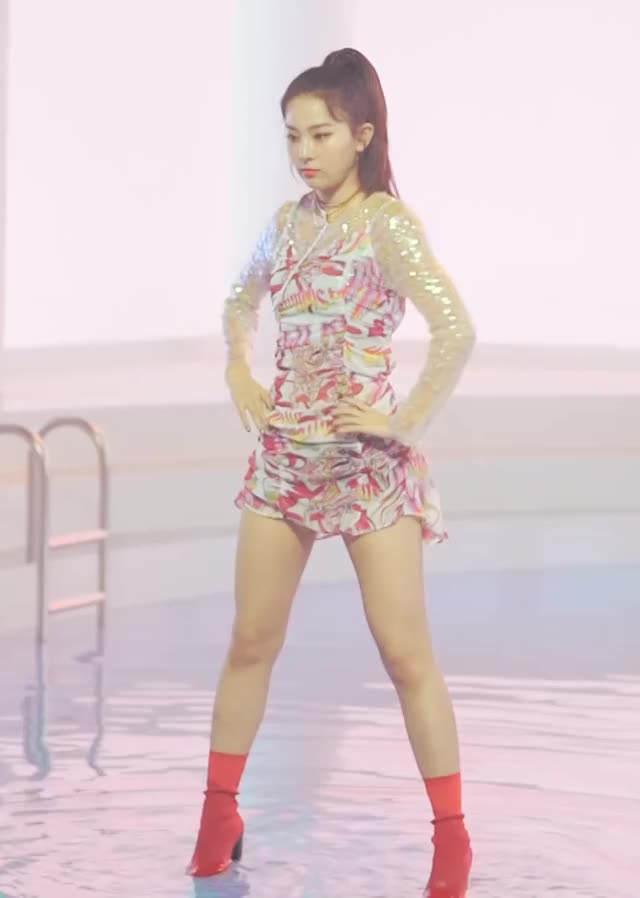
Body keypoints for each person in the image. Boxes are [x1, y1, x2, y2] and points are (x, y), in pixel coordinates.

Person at [187, 48, 476, 897]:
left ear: (363, 135)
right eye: (292, 136)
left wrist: (399, 422)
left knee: (405, 655)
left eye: (320, 134)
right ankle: (216, 817)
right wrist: (239, 371)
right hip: (284, 459)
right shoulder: (286, 224)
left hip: (366, 468)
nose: (303, 151)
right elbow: (239, 300)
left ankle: (452, 839)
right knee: (250, 642)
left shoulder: (388, 225)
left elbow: (456, 330)